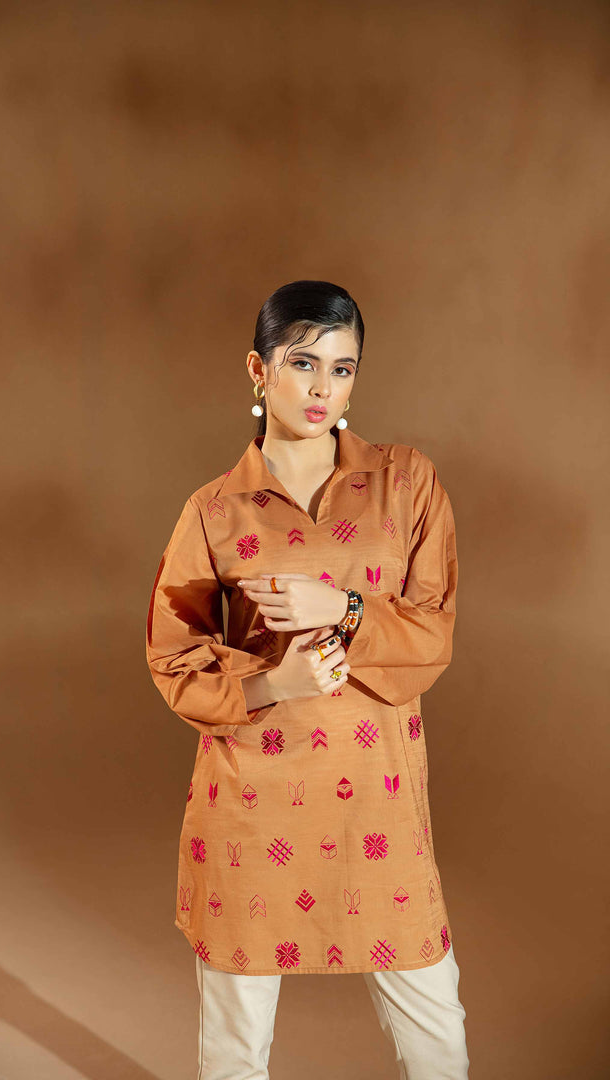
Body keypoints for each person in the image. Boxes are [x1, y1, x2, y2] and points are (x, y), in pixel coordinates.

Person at [146, 280, 470, 1079]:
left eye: (342, 367)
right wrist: (273, 684)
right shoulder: (215, 510)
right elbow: (173, 656)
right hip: (252, 813)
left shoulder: (406, 483)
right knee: (235, 1052)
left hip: (377, 802)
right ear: (259, 371)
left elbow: (433, 634)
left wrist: (345, 607)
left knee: (438, 1041)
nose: (323, 387)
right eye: (303, 363)